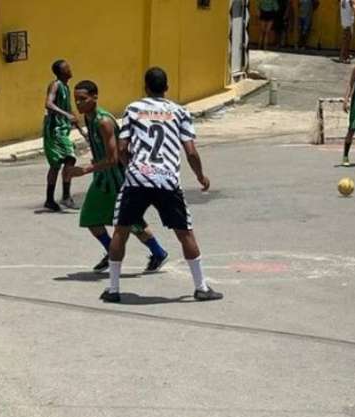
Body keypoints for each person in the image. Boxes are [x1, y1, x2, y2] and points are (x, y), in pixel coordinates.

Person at [102, 67, 222, 303]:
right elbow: (191, 151)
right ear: (166, 87)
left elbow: (123, 148)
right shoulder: (180, 112)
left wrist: (132, 168)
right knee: (184, 232)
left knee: (121, 230)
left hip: (138, 178)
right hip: (167, 180)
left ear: (145, 87)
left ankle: (113, 289)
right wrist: (201, 176)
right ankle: (201, 287)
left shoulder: (133, 109)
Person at [69, 80, 169, 274]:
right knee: (90, 218)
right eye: (77, 100)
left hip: (117, 179)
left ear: (95, 97)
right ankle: (111, 251)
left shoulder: (103, 121)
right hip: (102, 179)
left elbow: (113, 159)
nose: (79, 104)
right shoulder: (89, 118)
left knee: (132, 222)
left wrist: (85, 169)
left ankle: (158, 252)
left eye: (83, 99)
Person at [43, 60, 78, 212]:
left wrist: (78, 126)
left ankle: (55, 198)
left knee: (60, 163)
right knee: (69, 157)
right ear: (61, 71)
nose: (70, 69)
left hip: (62, 129)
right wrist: (66, 115)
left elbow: (68, 109)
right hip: (54, 129)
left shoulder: (66, 87)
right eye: (67, 67)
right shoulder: (55, 85)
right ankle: (62, 197)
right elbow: (48, 104)